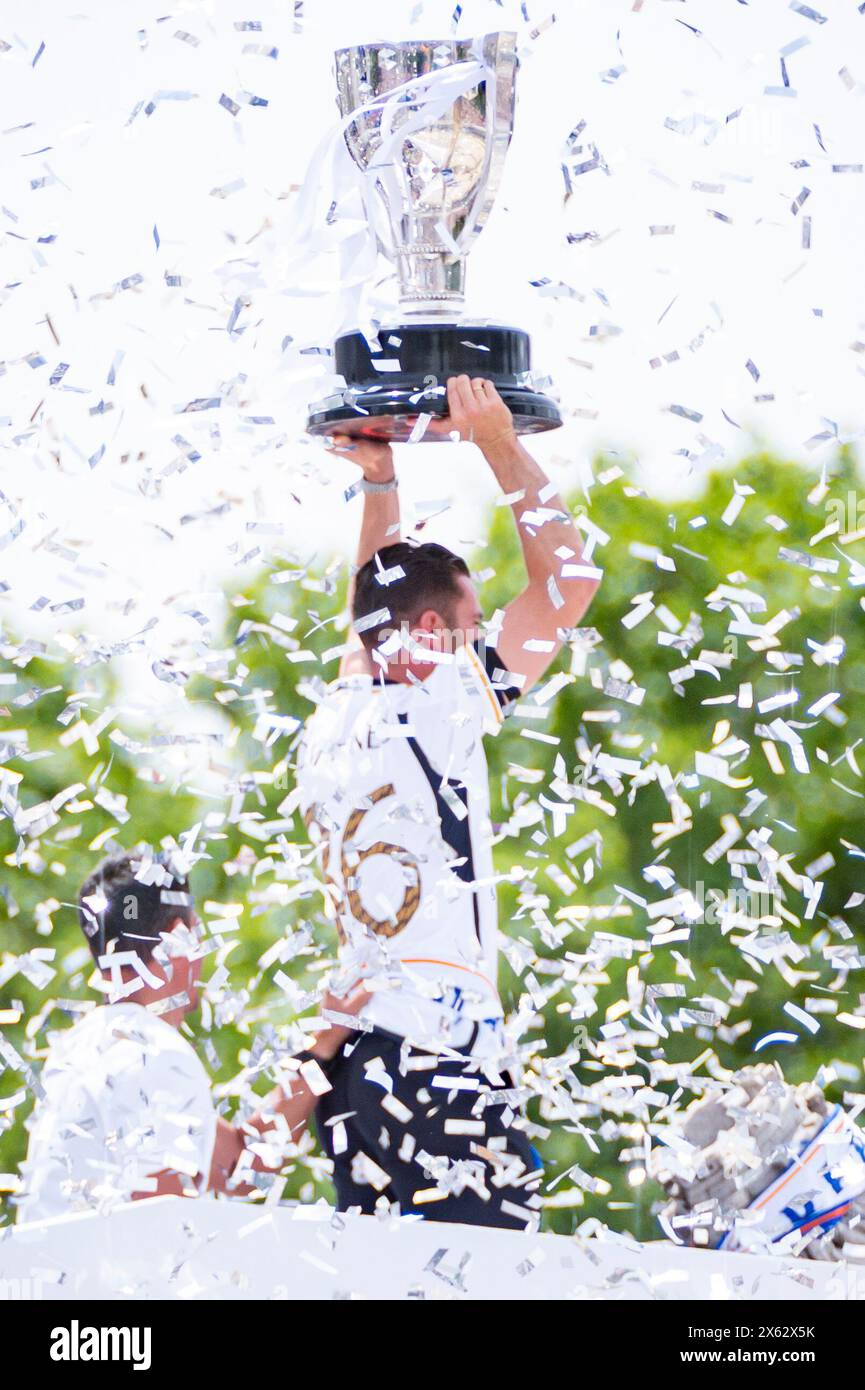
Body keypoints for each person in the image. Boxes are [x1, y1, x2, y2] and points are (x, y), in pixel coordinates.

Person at [296, 376, 600, 1228]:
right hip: (442, 1057)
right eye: (468, 628)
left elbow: (370, 607)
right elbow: (568, 581)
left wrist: (380, 483)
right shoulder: (436, 704)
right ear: (431, 640)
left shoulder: (331, 718)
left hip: (355, 1075)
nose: (480, 641)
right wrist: (499, 444)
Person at [17, 849, 367, 1224]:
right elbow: (163, 1229)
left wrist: (321, 1046)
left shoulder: (84, 1047)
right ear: (178, 939)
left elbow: (244, 1167)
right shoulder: (155, 1054)